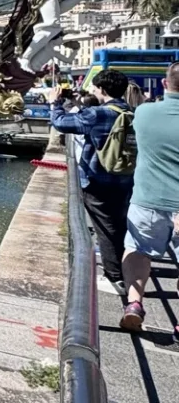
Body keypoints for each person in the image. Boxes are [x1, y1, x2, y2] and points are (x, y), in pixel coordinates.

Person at [51, 68, 136, 297]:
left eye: (96, 88)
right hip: (125, 178)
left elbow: (60, 123)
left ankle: (115, 277)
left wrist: (55, 103)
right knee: (118, 224)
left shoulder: (98, 114)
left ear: (103, 89)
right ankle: (124, 269)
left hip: (97, 179)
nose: (94, 91)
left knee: (105, 228)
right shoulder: (130, 111)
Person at [122, 60, 179, 329]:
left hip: (147, 200)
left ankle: (134, 303)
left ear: (165, 83)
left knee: (137, 249)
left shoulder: (144, 113)